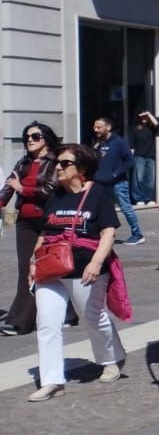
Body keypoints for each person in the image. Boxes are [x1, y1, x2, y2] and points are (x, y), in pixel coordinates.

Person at [29, 142, 129, 401]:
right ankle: (52, 380)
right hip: (50, 269)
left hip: (85, 269)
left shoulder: (98, 194)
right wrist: (33, 262)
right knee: (47, 323)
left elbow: (108, 231)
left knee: (92, 317)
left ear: (82, 168)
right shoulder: (55, 196)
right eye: (56, 164)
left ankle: (110, 359)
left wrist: (97, 262)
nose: (58, 168)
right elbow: (45, 232)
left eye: (65, 163)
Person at [2, 122, 59, 336]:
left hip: (48, 220)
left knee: (54, 267)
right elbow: (8, 188)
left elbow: (50, 190)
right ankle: (27, 317)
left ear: (46, 139)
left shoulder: (55, 162)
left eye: (35, 136)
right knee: (26, 268)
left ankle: (20, 322)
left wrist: (22, 188)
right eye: (27, 137)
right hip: (25, 222)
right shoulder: (23, 162)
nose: (30, 140)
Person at [91, 117, 143, 245]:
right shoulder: (99, 143)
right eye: (94, 127)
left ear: (108, 128)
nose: (95, 129)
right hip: (100, 182)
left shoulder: (119, 142)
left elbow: (129, 161)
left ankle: (137, 234)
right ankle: (102, 234)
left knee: (126, 208)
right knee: (101, 209)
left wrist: (115, 174)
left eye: (99, 127)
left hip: (117, 183)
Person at [130, 110, 159, 203]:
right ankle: (139, 198)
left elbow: (156, 123)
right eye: (142, 117)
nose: (144, 118)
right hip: (139, 156)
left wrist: (148, 114)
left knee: (150, 179)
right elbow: (132, 144)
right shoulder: (136, 129)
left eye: (145, 117)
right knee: (139, 178)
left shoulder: (151, 128)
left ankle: (148, 198)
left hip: (150, 156)